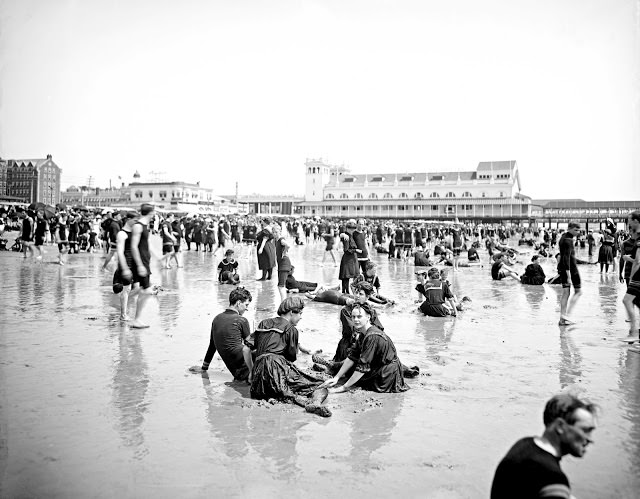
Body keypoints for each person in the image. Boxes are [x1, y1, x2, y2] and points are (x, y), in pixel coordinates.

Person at [490, 392, 598, 499]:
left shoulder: (524, 445)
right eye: (585, 430)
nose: (590, 439)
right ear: (560, 426)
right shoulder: (552, 478)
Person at [249, 297, 331, 417]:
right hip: (276, 367)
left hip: (257, 378)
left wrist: (252, 371)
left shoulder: (263, 323)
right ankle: (314, 402)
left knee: (276, 389)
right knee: (319, 385)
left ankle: (275, 397)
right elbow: (291, 357)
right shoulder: (291, 329)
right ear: (292, 312)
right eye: (300, 313)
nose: (301, 317)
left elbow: (249, 347)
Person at [321, 303, 409, 393]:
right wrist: (336, 378)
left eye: (359, 317)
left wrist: (343, 388)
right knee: (350, 373)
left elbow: (362, 367)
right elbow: (352, 356)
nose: (356, 320)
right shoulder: (362, 333)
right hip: (378, 366)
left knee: (357, 378)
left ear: (368, 317)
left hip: (387, 374)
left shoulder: (372, 336)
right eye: (353, 317)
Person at [189, 287, 253, 381]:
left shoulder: (216, 319)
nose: (247, 309)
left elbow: (212, 346)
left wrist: (204, 368)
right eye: (246, 305)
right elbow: (250, 347)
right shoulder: (241, 320)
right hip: (247, 370)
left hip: (236, 372)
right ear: (239, 303)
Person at [126, 204, 157, 328]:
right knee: (147, 291)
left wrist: (156, 256)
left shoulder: (144, 226)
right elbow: (133, 246)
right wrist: (139, 265)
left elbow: (146, 244)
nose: (155, 215)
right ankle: (136, 319)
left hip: (144, 261)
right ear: (151, 213)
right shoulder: (138, 226)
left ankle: (126, 302)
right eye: (154, 212)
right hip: (140, 262)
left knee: (142, 290)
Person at [558, 222, 582, 326]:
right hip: (570, 269)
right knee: (578, 291)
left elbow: (563, 256)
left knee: (566, 293)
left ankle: (562, 319)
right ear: (569, 229)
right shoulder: (568, 240)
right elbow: (566, 257)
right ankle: (566, 316)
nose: (578, 232)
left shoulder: (564, 237)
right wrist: (568, 274)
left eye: (578, 230)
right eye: (576, 230)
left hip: (564, 268)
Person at [622, 210, 640, 343]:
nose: (628, 223)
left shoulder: (639, 238)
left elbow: (638, 261)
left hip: (638, 274)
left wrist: (633, 278)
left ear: (636, 221)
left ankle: (633, 331)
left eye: (629, 220)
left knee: (627, 300)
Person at [338, 220, 360, 294]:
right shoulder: (347, 236)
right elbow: (346, 250)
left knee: (349, 276)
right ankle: (345, 292)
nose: (352, 230)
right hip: (348, 259)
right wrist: (356, 250)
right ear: (347, 228)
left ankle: (348, 292)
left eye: (353, 228)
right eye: (350, 228)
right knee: (346, 277)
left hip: (352, 259)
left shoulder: (351, 235)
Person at [274, 224, 291, 301]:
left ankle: (283, 303)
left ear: (280, 231)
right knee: (281, 286)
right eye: (273, 232)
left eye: (276, 232)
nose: (275, 234)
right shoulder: (277, 241)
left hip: (284, 264)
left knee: (281, 286)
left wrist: (284, 252)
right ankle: (284, 302)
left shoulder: (281, 239)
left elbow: (288, 245)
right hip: (282, 265)